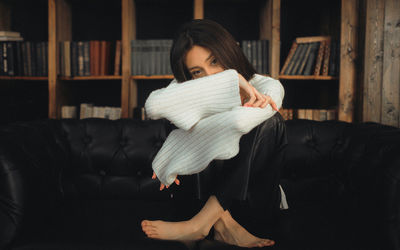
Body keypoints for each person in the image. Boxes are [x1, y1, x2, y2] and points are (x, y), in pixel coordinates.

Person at [141, 19, 286, 248]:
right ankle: (219, 224)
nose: (210, 76)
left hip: (251, 202)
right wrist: (231, 80)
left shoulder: (266, 85)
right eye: (198, 72)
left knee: (269, 120)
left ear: (228, 51)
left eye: (215, 61)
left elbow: (241, 120)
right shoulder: (185, 91)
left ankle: (201, 224)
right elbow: (154, 106)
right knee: (184, 117)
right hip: (196, 199)